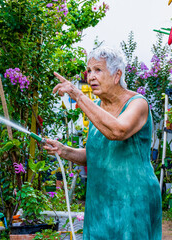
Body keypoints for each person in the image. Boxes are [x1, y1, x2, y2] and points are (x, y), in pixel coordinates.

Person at [44, 46, 162, 239]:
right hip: (99, 202)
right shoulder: (97, 108)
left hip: (132, 200)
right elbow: (95, 154)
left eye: (98, 70)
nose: (90, 76)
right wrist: (63, 150)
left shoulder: (137, 104)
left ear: (117, 76)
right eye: (89, 71)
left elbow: (118, 130)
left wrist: (78, 95)